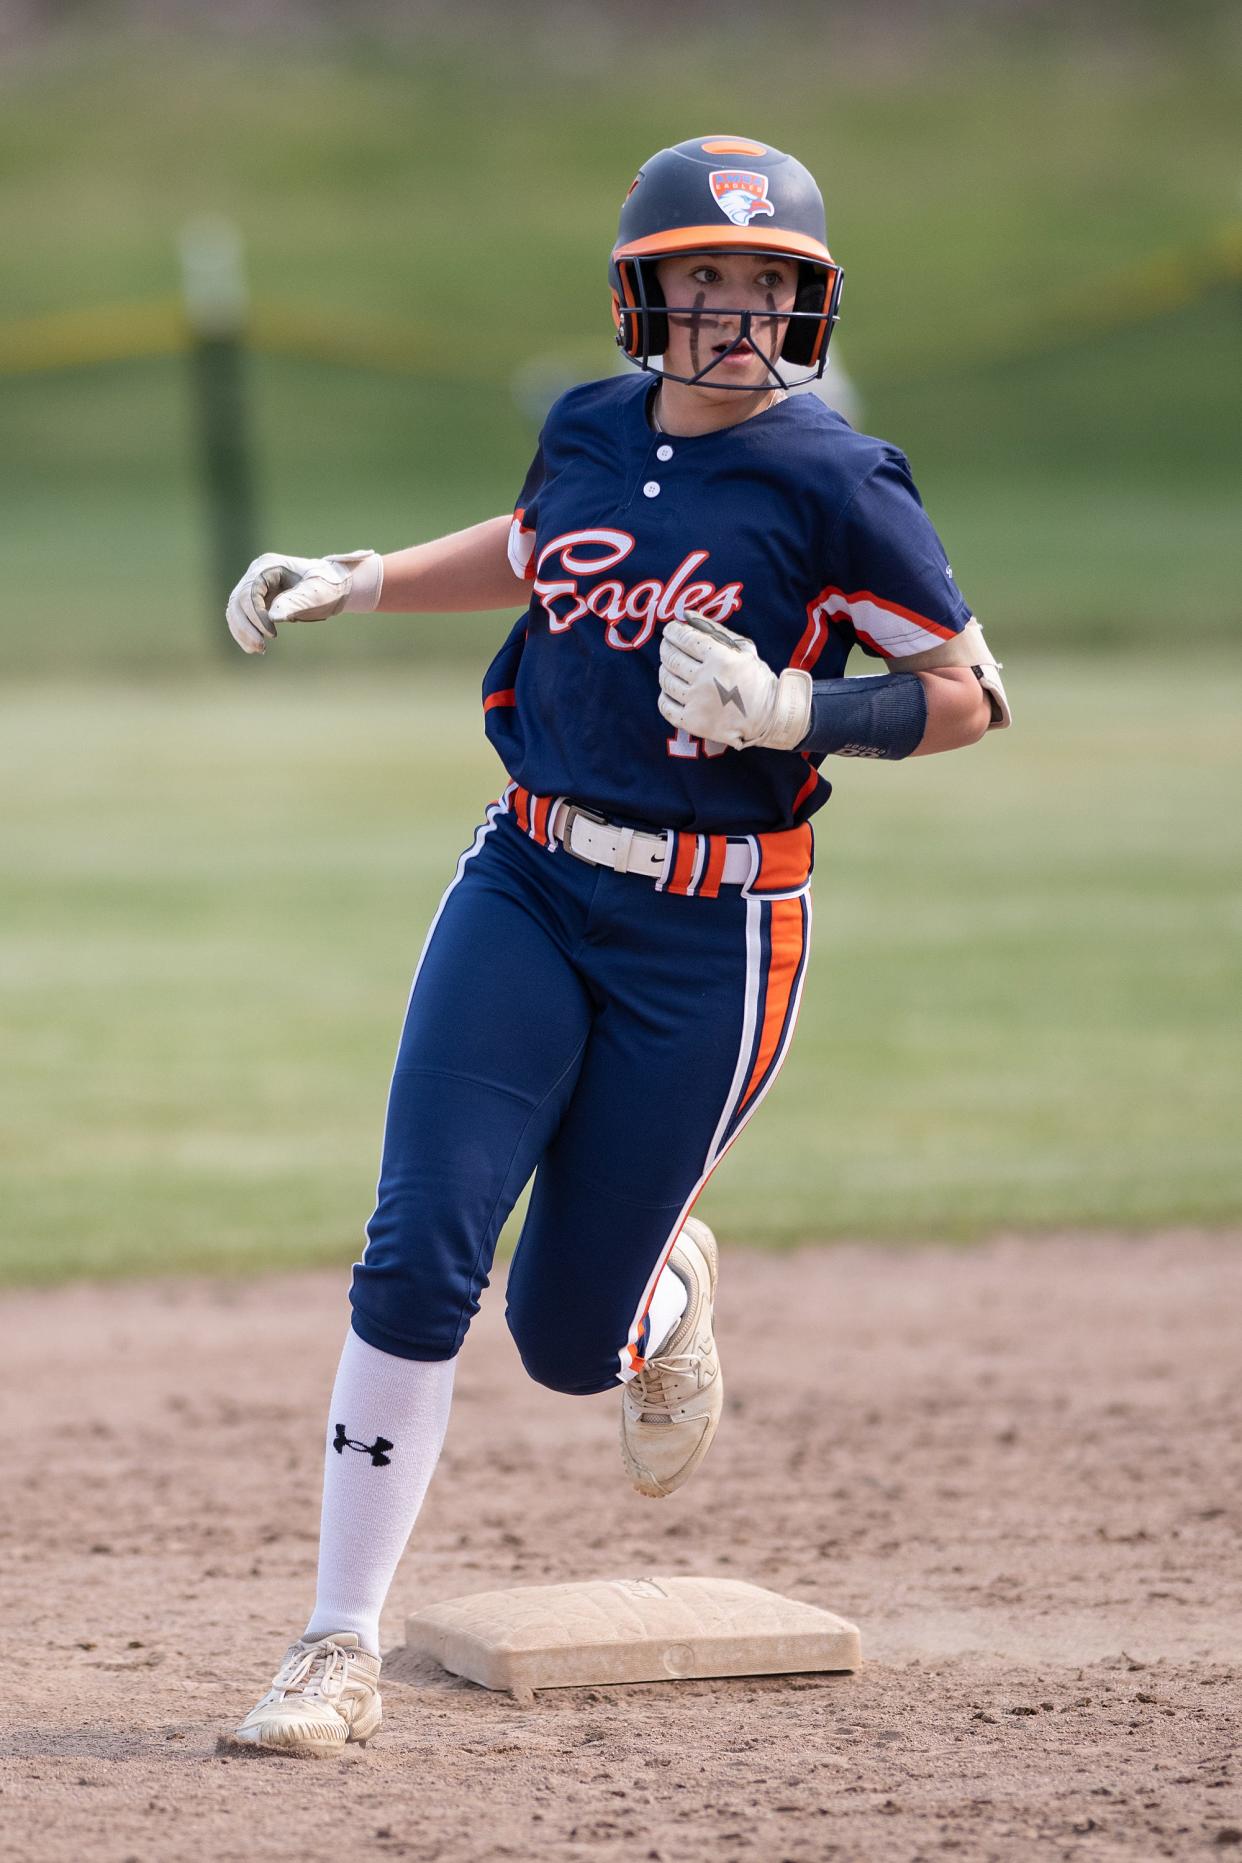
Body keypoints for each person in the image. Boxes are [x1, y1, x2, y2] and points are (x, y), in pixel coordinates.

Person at [224, 134, 1010, 1756]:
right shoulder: (584, 423)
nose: (733, 312)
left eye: (766, 285)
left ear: (808, 309)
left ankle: (653, 1296)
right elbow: (536, 550)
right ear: (640, 297)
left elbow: (966, 696)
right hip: (524, 880)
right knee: (418, 1248)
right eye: (702, 278)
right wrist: (362, 578)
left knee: (565, 1343)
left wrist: (801, 708)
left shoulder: (837, 481)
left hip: (712, 929)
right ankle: (333, 1647)